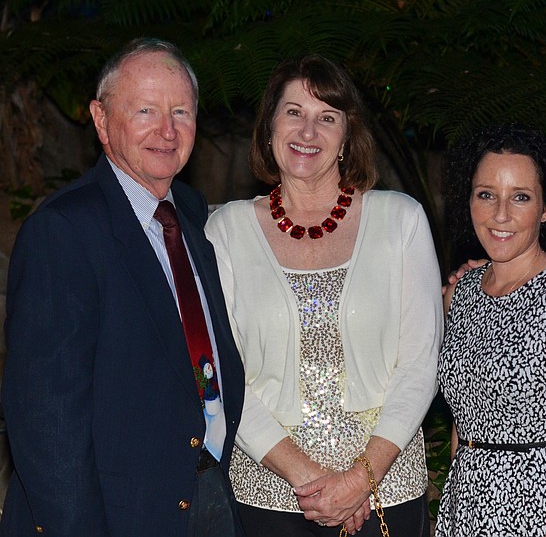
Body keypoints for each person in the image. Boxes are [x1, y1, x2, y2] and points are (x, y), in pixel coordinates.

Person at [1, 39, 245, 535]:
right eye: (145, 110)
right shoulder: (64, 231)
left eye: (181, 111)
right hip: (116, 514)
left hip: (207, 493)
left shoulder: (190, 214)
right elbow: (46, 422)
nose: (167, 130)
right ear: (100, 118)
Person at [205, 54, 442, 536]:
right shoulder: (225, 230)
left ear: (346, 136)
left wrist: (360, 480)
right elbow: (221, 372)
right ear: (270, 127)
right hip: (268, 494)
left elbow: (420, 364)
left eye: (326, 117)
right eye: (293, 112)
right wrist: (311, 480)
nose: (307, 131)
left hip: (386, 490)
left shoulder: (402, 220)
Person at [436, 124, 546, 536]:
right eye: (486, 195)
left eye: (520, 197)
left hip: (543, 511)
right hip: (466, 509)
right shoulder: (461, 295)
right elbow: (465, 424)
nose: (500, 214)